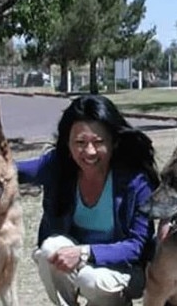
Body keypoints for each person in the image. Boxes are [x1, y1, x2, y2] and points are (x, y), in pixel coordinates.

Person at [17, 94, 159, 306]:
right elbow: (10, 170)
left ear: (114, 141)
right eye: (80, 142)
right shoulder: (58, 165)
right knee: (50, 249)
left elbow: (137, 246)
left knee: (90, 280)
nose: (89, 151)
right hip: (81, 266)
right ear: (67, 143)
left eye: (98, 142)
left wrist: (85, 253)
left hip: (126, 270)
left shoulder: (134, 180)